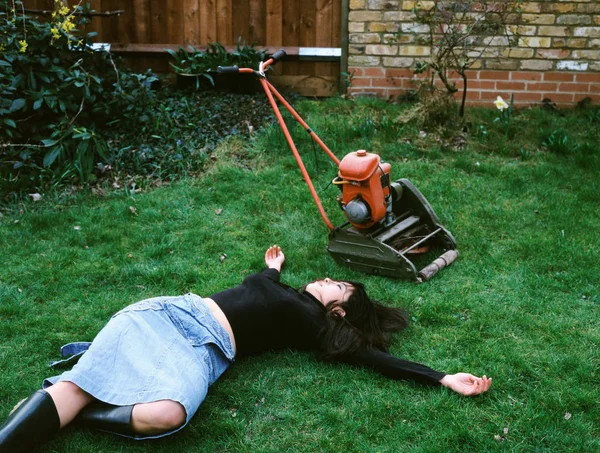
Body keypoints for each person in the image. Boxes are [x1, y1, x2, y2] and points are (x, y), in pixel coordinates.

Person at [0, 245, 491, 452]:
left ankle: (72, 408)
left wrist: (441, 377)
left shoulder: (313, 324)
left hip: (203, 355)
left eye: (336, 286)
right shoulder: (281, 289)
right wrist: (273, 267)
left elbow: (374, 358)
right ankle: (69, 400)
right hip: (167, 317)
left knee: (169, 415)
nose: (325, 279)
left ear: (339, 312)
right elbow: (258, 283)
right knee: (79, 390)